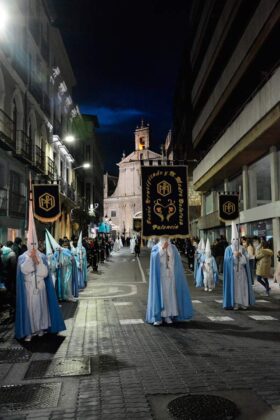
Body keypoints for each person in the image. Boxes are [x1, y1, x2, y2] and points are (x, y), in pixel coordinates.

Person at [15, 201, 66, 341]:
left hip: (41, 288)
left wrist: (37, 261)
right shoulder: (22, 257)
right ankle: (29, 331)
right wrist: (30, 260)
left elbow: (44, 273)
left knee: (42, 309)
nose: (32, 246)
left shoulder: (42, 256)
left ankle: (41, 328)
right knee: (30, 310)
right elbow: (24, 271)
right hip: (29, 288)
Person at [146, 237, 193, 326]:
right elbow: (154, 259)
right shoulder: (156, 247)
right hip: (161, 277)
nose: (166, 238)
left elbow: (176, 261)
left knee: (170, 296)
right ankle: (159, 316)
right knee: (162, 295)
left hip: (171, 276)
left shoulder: (173, 248)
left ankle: (168, 315)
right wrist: (163, 249)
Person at [223, 221, 255, 310]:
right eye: (233, 239)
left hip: (242, 270)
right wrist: (233, 256)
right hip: (233, 272)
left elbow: (247, 260)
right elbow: (226, 261)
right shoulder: (228, 249)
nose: (235, 241)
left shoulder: (242, 248)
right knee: (235, 288)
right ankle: (236, 303)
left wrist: (241, 256)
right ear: (231, 240)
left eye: (237, 239)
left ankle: (244, 303)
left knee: (243, 286)